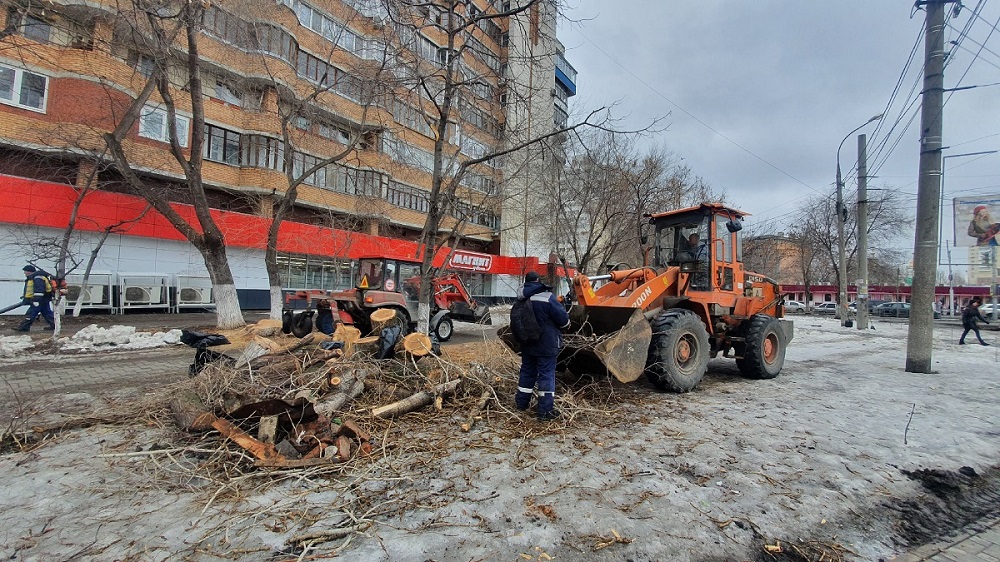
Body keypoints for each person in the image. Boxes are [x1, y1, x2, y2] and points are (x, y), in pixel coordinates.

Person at [514, 271, 570, 421]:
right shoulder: (547, 297)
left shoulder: (521, 297)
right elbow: (563, 320)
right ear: (538, 281)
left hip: (527, 344)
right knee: (546, 375)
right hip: (546, 345)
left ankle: (521, 404)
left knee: (527, 372)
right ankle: (545, 412)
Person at [17, 265, 55, 332]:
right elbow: (33, 289)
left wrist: (36, 300)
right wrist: (26, 296)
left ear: (29, 272)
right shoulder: (36, 277)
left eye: (25, 271)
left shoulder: (37, 278)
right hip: (43, 299)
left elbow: (39, 290)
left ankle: (24, 327)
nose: (24, 273)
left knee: (31, 313)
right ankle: (55, 325)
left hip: (39, 300)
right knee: (47, 313)